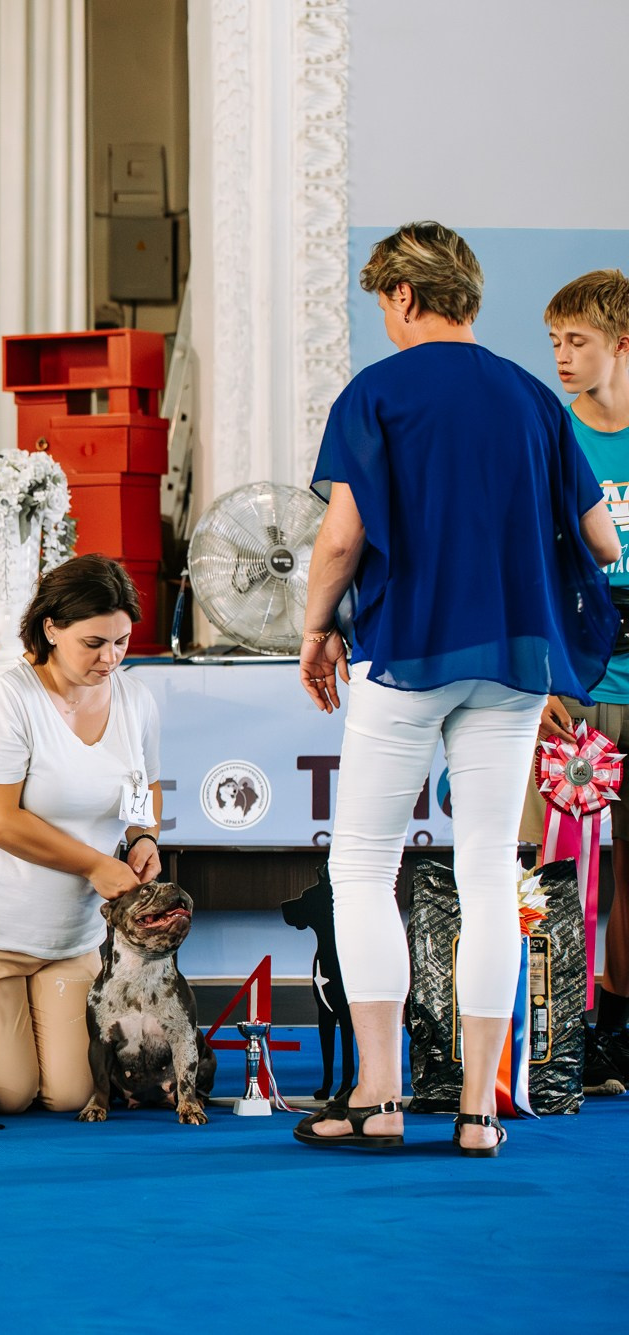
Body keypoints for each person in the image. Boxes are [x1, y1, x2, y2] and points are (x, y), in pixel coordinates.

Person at [297, 223, 620, 1156]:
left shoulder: (378, 391)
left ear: (403, 296)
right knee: (487, 871)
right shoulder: (531, 398)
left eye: (383, 304)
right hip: (517, 660)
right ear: (469, 296)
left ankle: (382, 1095)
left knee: (362, 866)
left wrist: (317, 628)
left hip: (408, 652)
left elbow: (340, 540)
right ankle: (480, 1110)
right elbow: (602, 543)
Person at [0, 553, 162, 1115]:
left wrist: (143, 840)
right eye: (94, 643)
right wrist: (93, 864)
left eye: (122, 642)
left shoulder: (136, 699)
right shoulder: (2, 697)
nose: (110, 658)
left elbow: (147, 790)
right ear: (51, 629)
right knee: (6, 1095)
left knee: (72, 1095)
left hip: (75, 937)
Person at [520, 268, 629, 1089]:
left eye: (577, 342)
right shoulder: (553, 432)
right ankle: (564, 1024)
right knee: (562, 862)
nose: (560, 356)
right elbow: (532, 560)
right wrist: (550, 670)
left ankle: (622, 1019)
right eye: (554, 340)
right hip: (581, 676)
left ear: (620, 346)